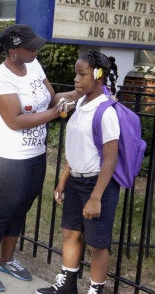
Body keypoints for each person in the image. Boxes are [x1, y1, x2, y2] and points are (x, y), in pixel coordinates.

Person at [0, 24, 77, 292]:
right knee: (2, 209)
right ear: (13, 50)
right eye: (30, 47)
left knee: (20, 209)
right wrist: (57, 114)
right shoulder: (1, 77)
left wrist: (82, 93)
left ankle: (6, 260)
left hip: (35, 153)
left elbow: (53, 98)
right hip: (5, 155)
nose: (36, 50)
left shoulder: (34, 65)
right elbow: (15, 121)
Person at [37, 51, 120, 294]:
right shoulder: (81, 103)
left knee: (96, 244)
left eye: (81, 74)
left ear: (98, 76)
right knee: (70, 233)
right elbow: (77, 149)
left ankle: (95, 290)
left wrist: (95, 197)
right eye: (76, 73)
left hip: (98, 185)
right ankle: (67, 287)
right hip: (75, 181)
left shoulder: (106, 111)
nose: (76, 79)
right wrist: (63, 180)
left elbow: (110, 159)